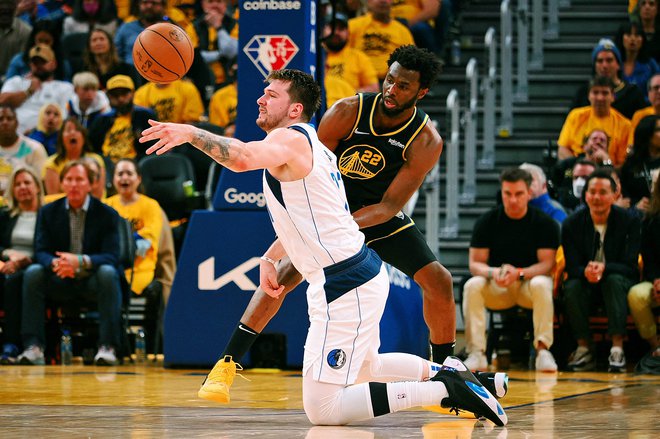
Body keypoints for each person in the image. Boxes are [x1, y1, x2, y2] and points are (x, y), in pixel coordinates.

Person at [139, 68, 507, 427]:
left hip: (345, 282)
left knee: (324, 410)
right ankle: (456, 375)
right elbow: (306, 219)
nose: (260, 98)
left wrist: (189, 132)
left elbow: (241, 159)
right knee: (368, 367)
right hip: (349, 276)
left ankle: (445, 390)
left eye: (271, 95)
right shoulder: (312, 147)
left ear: (295, 109)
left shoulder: (292, 140)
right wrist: (270, 256)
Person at [17, 160, 124, 366]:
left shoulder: (107, 214)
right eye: (69, 179)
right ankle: (34, 346)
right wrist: (58, 263)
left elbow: (113, 255)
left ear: (90, 184)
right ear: (62, 184)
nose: (74, 184)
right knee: (33, 273)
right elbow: (40, 251)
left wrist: (80, 261)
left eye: (79, 179)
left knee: (109, 273)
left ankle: (107, 347)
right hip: (59, 278)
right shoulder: (48, 212)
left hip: (91, 280)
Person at [462, 168, 560, 372]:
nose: (513, 200)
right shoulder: (487, 222)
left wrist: (520, 273)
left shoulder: (544, 223)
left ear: (529, 194)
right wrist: (493, 273)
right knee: (473, 285)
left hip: (528, 286)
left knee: (543, 283)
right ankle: (477, 353)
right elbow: (475, 263)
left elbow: (547, 264)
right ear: (502, 192)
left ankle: (543, 351)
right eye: (508, 194)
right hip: (498, 286)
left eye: (518, 194)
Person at [561, 169, 641, 372]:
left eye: (603, 192)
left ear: (615, 195)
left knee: (613, 281)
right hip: (585, 280)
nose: (596, 197)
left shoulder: (630, 221)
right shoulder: (571, 224)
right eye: (592, 192)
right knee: (571, 286)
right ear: (585, 195)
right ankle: (584, 347)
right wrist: (587, 270)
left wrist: (604, 268)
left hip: (618, 279)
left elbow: (631, 266)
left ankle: (617, 347)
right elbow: (571, 267)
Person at [0, 167, 42, 364]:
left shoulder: (47, 215)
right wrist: (5, 258)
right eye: (17, 184)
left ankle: (12, 344)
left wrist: (23, 260)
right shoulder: (5, 215)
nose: (22, 187)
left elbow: (49, 246)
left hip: (33, 265)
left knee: (15, 280)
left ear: (37, 187)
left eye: (27, 183)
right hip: (5, 264)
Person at [104, 158, 162, 295]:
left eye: (129, 173)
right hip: (111, 263)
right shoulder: (106, 205)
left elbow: (150, 236)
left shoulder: (151, 205)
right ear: (113, 179)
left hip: (140, 267)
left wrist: (125, 241)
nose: (124, 178)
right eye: (120, 174)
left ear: (139, 178)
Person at [0, 44, 74, 135]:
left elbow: (65, 115)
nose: (39, 66)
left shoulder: (65, 87)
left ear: (53, 64)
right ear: (30, 64)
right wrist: (29, 91)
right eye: (35, 63)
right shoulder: (16, 81)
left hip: (48, 136)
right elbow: (2, 101)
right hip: (15, 136)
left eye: (43, 62)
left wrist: (36, 132)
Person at [557, 76, 632, 166]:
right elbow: (562, 149)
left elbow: (623, 163)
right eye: (595, 92)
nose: (600, 98)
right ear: (589, 96)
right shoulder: (575, 116)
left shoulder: (625, 125)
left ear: (612, 97)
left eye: (605, 93)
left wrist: (606, 163)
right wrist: (581, 167)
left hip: (608, 173)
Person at [570, 38, 647, 120]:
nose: (604, 65)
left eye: (609, 60)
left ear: (618, 64)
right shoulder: (583, 93)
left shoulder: (633, 93)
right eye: (600, 61)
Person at [628, 172, 660, 362]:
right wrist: (656, 280)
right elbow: (649, 259)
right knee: (636, 294)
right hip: (656, 282)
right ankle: (655, 346)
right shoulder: (650, 220)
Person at [88, 74, 156, 163]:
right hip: (107, 166)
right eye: (115, 95)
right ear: (108, 96)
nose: (120, 98)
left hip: (137, 164)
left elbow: (154, 147)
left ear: (132, 93)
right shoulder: (101, 120)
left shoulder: (145, 116)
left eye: (124, 94)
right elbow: (93, 148)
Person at [348, 0, 415, 80]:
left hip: (390, 82)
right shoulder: (353, 25)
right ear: (368, 2)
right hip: (357, 80)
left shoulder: (402, 31)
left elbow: (411, 60)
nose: (383, 1)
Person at [43, 117, 105, 199]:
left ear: (83, 137)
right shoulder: (52, 163)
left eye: (77, 130)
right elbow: (53, 198)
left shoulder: (96, 160)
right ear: (61, 138)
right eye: (68, 130)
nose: (72, 133)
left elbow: (98, 195)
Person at [323, 12, 379, 93]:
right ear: (323, 30)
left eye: (341, 29)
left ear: (348, 33)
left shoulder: (359, 57)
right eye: (332, 28)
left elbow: (374, 89)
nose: (336, 32)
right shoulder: (315, 56)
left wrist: (349, 96)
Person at [0, 105, 48, 199]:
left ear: (17, 123)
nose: (5, 122)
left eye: (9, 118)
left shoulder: (35, 148)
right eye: (0, 119)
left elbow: (41, 185)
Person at [620, 114, 660, 215]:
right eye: (658, 130)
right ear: (647, 134)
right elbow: (624, 195)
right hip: (640, 216)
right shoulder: (630, 165)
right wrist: (635, 205)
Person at [614, 20, 660, 99]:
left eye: (637, 35)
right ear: (621, 38)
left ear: (642, 39)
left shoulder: (650, 64)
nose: (632, 39)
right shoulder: (613, 62)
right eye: (628, 35)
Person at [133, 79, 204, 124]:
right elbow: (141, 124)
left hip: (181, 138)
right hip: (154, 138)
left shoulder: (187, 88)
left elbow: (192, 122)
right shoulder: (141, 93)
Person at [0, 0, 32, 81]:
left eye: (8, 4)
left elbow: (22, 65)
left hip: (14, 81)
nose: (5, 8)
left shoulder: (26, 31)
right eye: (1, 3)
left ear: (15, 6)